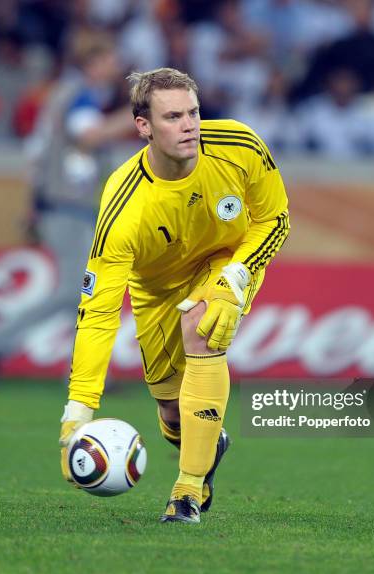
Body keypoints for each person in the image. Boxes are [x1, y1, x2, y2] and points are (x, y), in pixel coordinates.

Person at [59, 67, 290, 524]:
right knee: (172, 409)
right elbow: (100, 311)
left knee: (201, 326)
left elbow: (275, 219)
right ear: (143, 126)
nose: (189, 126)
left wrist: (237, 276)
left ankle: (186, 493)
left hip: (228, 260)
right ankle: (206, 442)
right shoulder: (124, 205)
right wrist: (78, 410)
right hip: (156, 288)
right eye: (173, 117)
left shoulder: (239, 145)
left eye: (194, 113)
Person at [0, 31, 132, 383]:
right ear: (92, 64)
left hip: (64, 205)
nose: (115, 67)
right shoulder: (78, 96)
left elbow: (39, 154)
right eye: (109, 60)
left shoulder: (70, 95)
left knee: (84, 290)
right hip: (67, 207)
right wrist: (139, 115)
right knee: (81, 290)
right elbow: (89, 136)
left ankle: (75, 370)